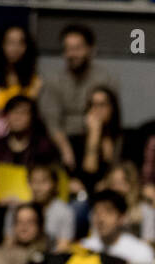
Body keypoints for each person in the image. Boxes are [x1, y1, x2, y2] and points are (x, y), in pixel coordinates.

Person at [37, 24, 116, 176]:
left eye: (77, 48)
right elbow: (51, 121)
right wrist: (65, 149)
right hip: (62, 139)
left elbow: (111, 115)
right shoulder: (53, 80)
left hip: (96, 134)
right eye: (68, 48)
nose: (72, 54)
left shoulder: (104, 78)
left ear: (90, 49)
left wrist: (99, 138)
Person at [0, 25, 40, 143]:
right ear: (1, 45)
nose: (15, 48)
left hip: (19, 141)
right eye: (10, 42)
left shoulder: (35, 81)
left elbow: (28, 119)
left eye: (21, 43)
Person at [80, 188, 155, 264]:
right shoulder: (83, 248)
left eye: (108, 212)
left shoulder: (141, 252)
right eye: (96, 212)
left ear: (121, 218)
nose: (101, 219)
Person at [73, 86, 127, 195]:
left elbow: (128, 172)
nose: (96, 110)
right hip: (93, 195)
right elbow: (88, 178)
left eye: (102, 105)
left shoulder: (125, 138)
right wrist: (94, 135)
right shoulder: (78, 141)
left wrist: (108, 182)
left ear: (112, 108)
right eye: (92, 105)